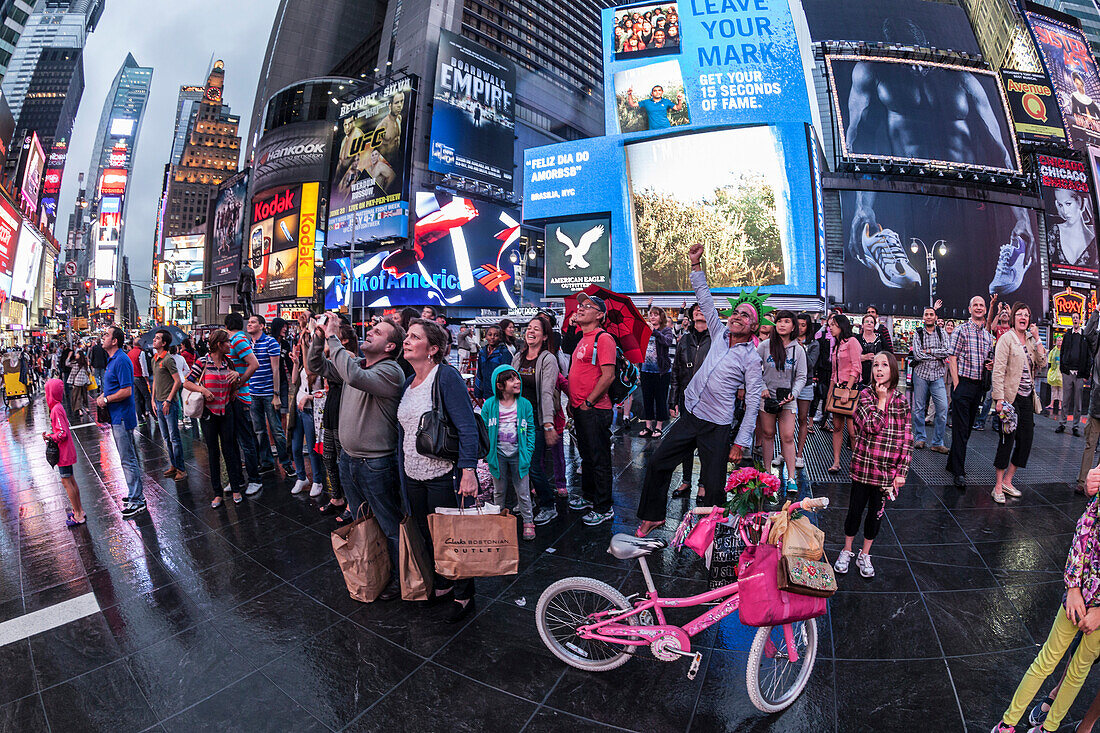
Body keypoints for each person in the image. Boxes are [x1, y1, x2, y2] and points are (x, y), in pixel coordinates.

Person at [636, 243, 764, 537]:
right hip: (691, 414)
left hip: (717, 427)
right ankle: (653, 516)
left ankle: (713, 536)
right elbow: (704, 298)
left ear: (753, 327)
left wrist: (740, 443)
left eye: (745, 316)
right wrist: (695, 265)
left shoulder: (751, 358)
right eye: (736, 312)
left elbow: (754, 401)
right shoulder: (718, 332)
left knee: (714, 486)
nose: (737, 316)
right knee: (657, 462)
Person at [990, 478, 1100, 733]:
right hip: (1080, 595)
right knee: (1047, 659)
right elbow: (1084, 532)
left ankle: (1048, 728)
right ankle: (1007, 723)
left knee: (1078, 671)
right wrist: (1073, 588)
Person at [310, 313, 406, 600]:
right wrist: (318, 337)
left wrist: (332, 336)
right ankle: (373, 570)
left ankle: (402, 580)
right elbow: (315, 366)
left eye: (377, 332)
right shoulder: (356, 364)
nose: (370, 333)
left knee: (390, 525)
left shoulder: (391, 371)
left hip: (376, 464)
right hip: (349, 459)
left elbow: (354, 377)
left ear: (390, 346)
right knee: (363, 522)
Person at [397, 319, 480, 622]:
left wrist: (468, 470)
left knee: (451, 537)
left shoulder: (446, 377)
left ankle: (464, 592)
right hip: (412, 473)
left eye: (414, 337)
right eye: (407, 336)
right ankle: (444, 582)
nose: (407, 340)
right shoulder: (408, 383)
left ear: (432, 349)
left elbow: (467, 427)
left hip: (442, 473)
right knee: (426, 534)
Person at [834, 353, 911, 580]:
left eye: (884, 365)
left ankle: (864, 554)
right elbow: (871, 427)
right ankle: (847, 550)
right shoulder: (865, 396)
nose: (879, 369)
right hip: (864, 468)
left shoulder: (902, 401)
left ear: (893, 370)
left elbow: (907, 439)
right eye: (875, 365)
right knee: (854, 512)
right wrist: (880, 399)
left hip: (887, 473)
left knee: (875, 516)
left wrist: (902, 472)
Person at [567, 293, 619, 526]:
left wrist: (588, 402)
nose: (580, 308)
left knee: (599, 458)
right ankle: (589, 497)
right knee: (587, 457)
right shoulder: (582, 337)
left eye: (587, 306)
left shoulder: (604, 338)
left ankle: (603, 506)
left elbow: (608, 376)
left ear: (599, 315)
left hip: (595, 409)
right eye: (580, 305)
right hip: (580, 407)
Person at [182, 330, 246, 507]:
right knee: (213, 453)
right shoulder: (202, 362)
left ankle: (235, 489)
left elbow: (235, 387)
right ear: (219, 344)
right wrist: (203, 390)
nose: (229, 345)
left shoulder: (229, 363)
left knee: (230, 451)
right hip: (208, 414)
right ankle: (217, 492)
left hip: (227, 411)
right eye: (227, 342)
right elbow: (187, 382)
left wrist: (237, 377)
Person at [990, 303, 1045, 504]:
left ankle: (1008, 480)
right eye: (1020, 314)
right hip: (1009, 399)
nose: (1023, 317)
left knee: (1026, 441)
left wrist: (1038, 338)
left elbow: (1042, 362)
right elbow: (998, 370)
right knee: (1007, 441)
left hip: (1027, 398)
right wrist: (999, 399)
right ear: (1013, 318)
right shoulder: (1006, 339)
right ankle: (997, 486)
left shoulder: (1030, 340)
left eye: (1027, 315)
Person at [513, 314, 563, 526]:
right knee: (518, 464)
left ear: (544, 336)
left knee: (533, 465)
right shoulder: (518, 356)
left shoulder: (547, 359)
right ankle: (526, 500)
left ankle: (548, 505)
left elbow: (546, 392)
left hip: (537, 417)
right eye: (529, 328)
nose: (531, 332)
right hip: (517, 417)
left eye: (536, 329)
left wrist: (549, 424)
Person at [95, 326, 145, 518]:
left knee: (128, 458)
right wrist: (104, 395)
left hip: (122, 416)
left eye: (106, 335)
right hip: (117, 416)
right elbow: (114, 386)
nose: (103, 337)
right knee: (127, 457)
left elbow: (126, 391)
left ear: (115, 341)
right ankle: (134, 494)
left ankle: (137, 500)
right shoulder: (113, 360)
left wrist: (106, 400)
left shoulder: (122, 360)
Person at [483, 364, 537, 539]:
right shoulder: (490, 405)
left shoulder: (524, 405)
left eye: (516, 377)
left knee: (523, 490)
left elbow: (530, 431)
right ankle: (499, 520)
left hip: (518, 455)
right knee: (499, 491)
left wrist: (527, 453)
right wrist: (487, 452)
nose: (517, 381)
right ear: (499, 386)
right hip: (497, 455)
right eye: (511, 379)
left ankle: (528, 521)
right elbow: (483, 430)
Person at [946, 296, 995, 488]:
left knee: (966, 429)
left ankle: (952, 463)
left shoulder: (987, 336)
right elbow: (952, 356)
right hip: (963, 385)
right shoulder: (961, 330)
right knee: (960, 429)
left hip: (978, 387)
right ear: (969, 308)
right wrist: (957, 383)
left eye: (981, 305)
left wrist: (989, 366)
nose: (978, 307)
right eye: (975, 305)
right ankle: (958, 471)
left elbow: (985, 360)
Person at [759, 310, 807, 493]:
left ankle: (791, 478)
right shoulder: (765, 346)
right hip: (767, 399)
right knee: (768, 435)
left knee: (787, 437)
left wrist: (794, 393)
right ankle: (766, 475)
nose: (782, 324)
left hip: (788, 401)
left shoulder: (798, 350)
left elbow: (802, 377)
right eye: (779, 321)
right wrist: (762, 387)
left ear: (793, 326)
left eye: (786, 321)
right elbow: (755, 369)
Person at [669, 303, 711, 497]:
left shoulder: (716, 339)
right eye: (695, 309)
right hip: (687, 398)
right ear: (691, 315)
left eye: (702, 308)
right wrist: (673, 399)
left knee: (704, 443)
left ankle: (703, 483)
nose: (699, 311)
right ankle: (686, 481)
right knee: (686, 442)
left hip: (709, 399)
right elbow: (676, 371)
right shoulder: (684, 339)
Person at [316, 323, 356, 518]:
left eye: (334, 333)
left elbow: (317, 365)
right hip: (331, 412)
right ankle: (336, 497)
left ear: (344, 340)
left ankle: (351, 503)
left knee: (343, 461)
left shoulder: (349, 357)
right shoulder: (333, 356)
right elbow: (313, 366)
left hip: (343, 414)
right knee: (329, 458)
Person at [246, 315, 292, 475]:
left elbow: (275, 369)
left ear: (262, 326)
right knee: (259, 430)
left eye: (253, 322)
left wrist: (276, 394)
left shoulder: (270, 342)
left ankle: (286, 463)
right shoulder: (247, 344)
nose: (249, 325)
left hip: (268, 393)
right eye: (249, 322)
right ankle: (267, 462)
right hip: (253, 393)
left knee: (277, 429)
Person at [223, 313, 263, 495]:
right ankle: (237, 479)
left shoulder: (238, 340)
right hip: (231, 398)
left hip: (240, 398)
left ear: (226, 326)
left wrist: (240, 382)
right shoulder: (234, 340)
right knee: (234, 441)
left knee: (246, 441)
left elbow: (254, 364)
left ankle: (255, 479)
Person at [910, 306, 952, 454]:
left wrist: (928, 351)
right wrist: (936, 355)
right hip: (920, 374)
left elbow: (947, 351)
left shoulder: (941, 332)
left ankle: (937, 442)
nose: (928, 317)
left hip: (937, 376)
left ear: (935, 317)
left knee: (943, 408)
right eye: (926, 314)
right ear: (923, 318)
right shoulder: (918, 333)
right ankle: (920, 438)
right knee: (919, 408)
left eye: (931, 314)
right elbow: (917, 355)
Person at [45, 378, 83, 527]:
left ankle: (78, 514)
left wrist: (51, 437)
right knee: (71, 480)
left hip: (63, 452)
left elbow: (62, 434)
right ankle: (78, 510)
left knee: (67, 481)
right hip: (66, 450)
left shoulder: (55, 409)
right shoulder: (58, 407)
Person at [827, 314, 862, 474]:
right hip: (838, 389)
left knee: (853, 430)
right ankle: (836, 462)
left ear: (841, 326)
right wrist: (830, 394)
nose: (830, 327)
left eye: (833, 324)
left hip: (851, 389)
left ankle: (856, 463)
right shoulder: (836, 345)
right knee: (837, 427)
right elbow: (834, 373)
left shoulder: (852, 342)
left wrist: (848, 389)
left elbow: (856, 367)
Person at [150, 329, 186, 480]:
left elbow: (177, 381)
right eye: (155, 338)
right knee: (166, 437)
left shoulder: (168, 359)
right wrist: (152, 399)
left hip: (169, 404)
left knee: (174, 437)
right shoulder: (154, 359)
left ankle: (181, 469)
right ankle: (174, 465)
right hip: (158, 402)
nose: (154, 340)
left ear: (164, 343)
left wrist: (168, 400)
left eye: (157, 339)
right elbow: (156, 382)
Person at [290, 358, 325, 496]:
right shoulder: (304, 365)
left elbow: (325, 392)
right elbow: (294, 381)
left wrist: (308, 398)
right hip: (298, 410)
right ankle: (301, 477)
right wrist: (296, 364)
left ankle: (317, 481)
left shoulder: (322, 366)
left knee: (312, 448)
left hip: (311, 411)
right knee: (296, 446)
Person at [638, 306, 674, 439]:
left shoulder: (666, 330)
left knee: (660, 399)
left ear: (661, 317)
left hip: (661, 372)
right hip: (646, 370)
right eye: (651, 314)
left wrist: (655, 332)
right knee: (647, 399)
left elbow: (667, 342)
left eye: (656, 314)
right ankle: (648, 426)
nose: (652, 317)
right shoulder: (645, 331)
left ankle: (658, 427)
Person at [795, 313, 820, 469]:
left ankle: (799, 454)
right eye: (797, 324)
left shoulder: (814, 344)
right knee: (787, 419)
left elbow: (810, 364)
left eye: (803, 325)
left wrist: (801, 348)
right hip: (789, 384)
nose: (799, 328)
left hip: (805, 384)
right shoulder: (788, 340)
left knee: (802, 418)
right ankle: (785, 452)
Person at [1059, 312, 1090, 436]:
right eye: (1073, 318)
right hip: (1067, 373)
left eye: (1077, 318)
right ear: (1072, 321)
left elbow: (1088, 357)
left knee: (1078, 403)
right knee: (1065, 400)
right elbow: (1062, 353)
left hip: (1079, 375)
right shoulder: (1067, 335)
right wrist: (1063, 369)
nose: (1075, 320)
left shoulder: (1084, 337)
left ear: (1080, 320)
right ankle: (1062, 424)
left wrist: (1085, 374)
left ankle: (1075, 427)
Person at [473, 325, 511, 402]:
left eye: (496, 335)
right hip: (486, 392)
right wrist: (478, 393)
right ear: (486, 336)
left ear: (500, 337)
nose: (492, 337)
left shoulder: (504, 353)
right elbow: (479, 373)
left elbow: (507, 376)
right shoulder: (482, 352)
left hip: (499, 394)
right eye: (490, 335)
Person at [855, 314, 887, 386]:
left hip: (878, 376)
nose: (869, 323)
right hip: (859, 376)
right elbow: (850, 357)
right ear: (862, 325)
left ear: (874, 326)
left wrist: (878, 359)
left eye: (872, 322)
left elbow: (889, 354)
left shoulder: (880, 338)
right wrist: (863, 357)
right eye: (867, 321)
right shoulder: (856, 338)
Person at [127, 339, 152, 424]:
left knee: (137, 398)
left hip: (133, 377)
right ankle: (154, 415)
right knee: (147, 396)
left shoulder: (129, 353)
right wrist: (146, 378)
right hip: (139, 376)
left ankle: (140, 418)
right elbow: (143, 367)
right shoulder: (140, 353)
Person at [66, 351, 91, 418]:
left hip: (77, 382)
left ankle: (79, 410)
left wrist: (68, 357)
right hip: (84, 382)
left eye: (77, 354)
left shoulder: (75, 363)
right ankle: (86, 407)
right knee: (85, 396)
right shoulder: (85, 363)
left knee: (77, 397)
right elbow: (88, 371)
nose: (76, 355)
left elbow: (67, 364)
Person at [1047, 335, 1063, 420]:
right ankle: (1052, 403)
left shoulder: (1064, 351)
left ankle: (1060, 404)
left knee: (1061, 389)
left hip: (1061, 373)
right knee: (1053, 388)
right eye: (1058, 340)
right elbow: (1049, 361)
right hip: (1054, 372)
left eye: (1060, 340)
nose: (1059, 342)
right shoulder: (1053, 351)